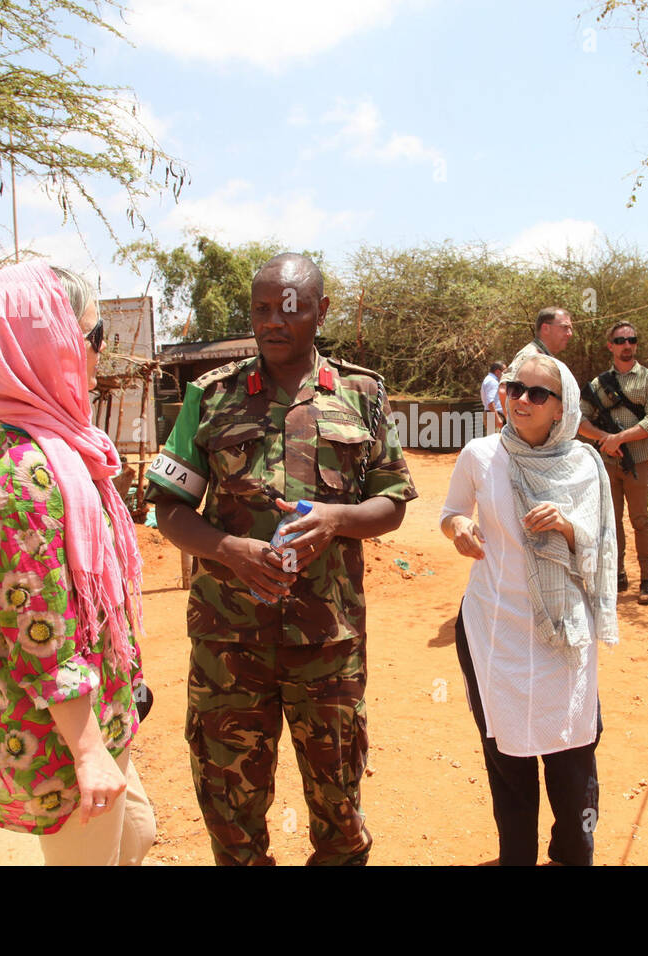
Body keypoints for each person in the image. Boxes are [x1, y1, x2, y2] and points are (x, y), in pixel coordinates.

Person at [145, 253, 417, 866]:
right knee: (230, 810)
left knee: (340, 812)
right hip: (227, 645)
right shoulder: (207, 397)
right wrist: (229, 551)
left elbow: (394, 501)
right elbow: (169, 508)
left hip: (329, 644)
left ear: (320, 311)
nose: (274, 320)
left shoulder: (362, 393)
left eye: (289, 308)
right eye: (262, 308)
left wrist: (338, 519)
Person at [0, 260, 155, 865]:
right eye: (90, 339)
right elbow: (40, 631)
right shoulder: (24, 474)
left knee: (137, 835)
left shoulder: (50, 446)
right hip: (59, 735)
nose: (95, 357)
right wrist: (87, 750)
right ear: (48, 346)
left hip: (97, 706)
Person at [441, 352, 617, 866]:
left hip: (564, 633)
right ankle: (515, 855)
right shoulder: (480, 455)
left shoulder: (585, 463)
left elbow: (603, 547)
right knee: (507, 757)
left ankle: (571, 853)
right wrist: (460, 531)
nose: (520, 399)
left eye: (537, 394)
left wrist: (565, 525)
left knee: (572, 755)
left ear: (562, 407)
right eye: (515, 387)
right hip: (494, 628)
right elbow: (452, 513)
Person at [578, 321, 648, 604]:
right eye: (620, 340)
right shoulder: (597, 384)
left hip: (639, 460)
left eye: (632, 339)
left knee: (640, 520)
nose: (627, 345)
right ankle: (617, 574)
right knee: (611, 523)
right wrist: (606, 437)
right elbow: (579, 420)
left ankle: (647, 580)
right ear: (611, 346)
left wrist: (620, 438)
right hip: (607, 463)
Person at [500, 307, 574, 422]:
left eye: (570, 329)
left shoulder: (544, 357)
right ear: (546, 328)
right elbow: (504, 389)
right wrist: (517, 430)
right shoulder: (530, 356)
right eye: (565, 327)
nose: (569, 334)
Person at [481, 361, 506, 433]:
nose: (505, 374)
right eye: (504, 372)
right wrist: (497, 418)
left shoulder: (490, 380)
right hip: (494, 416)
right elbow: (490, 401)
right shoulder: (492, 382)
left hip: (493, 415)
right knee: (494, 441)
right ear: (498, 372)